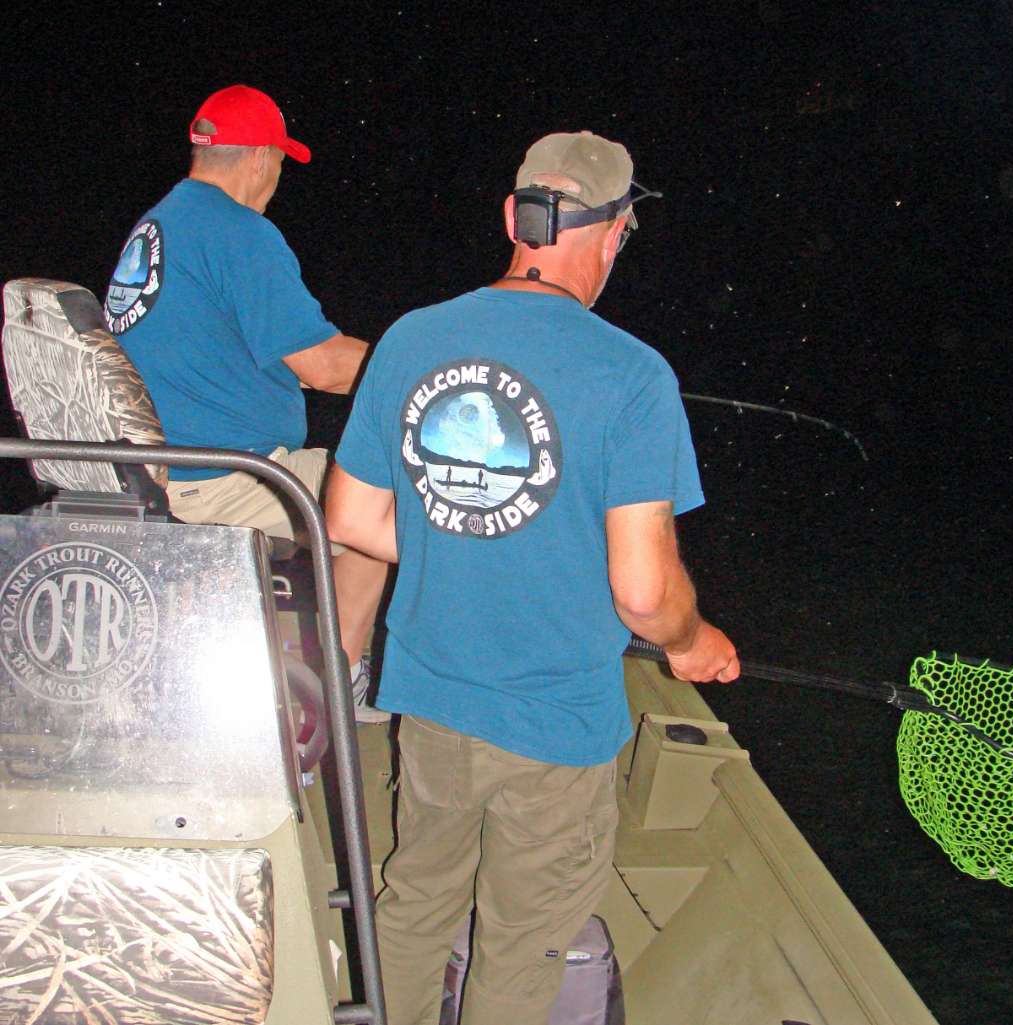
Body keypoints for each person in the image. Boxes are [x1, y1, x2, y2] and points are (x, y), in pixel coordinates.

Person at [324, 131, 740, 1024]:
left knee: (415, 900)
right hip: (555, 725)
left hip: (430, 699)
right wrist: (695, 641)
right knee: (520, 942)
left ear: (514, 217)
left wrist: (469, 542)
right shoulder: (631, 376)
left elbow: (352, 520)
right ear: (616, 231)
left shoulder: (411, 337)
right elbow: (642, 592)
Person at [102, 84, 388, 722]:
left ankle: (323, 674)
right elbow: (320, 364)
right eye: (281, 163)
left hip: (164, 469)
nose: (278, 177)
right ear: (260, 159)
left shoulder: (159, 225)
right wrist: (420, 368)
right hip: (221, 479)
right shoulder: (238, 232)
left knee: (356, 492)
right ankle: (335, 692)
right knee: (386, 497)